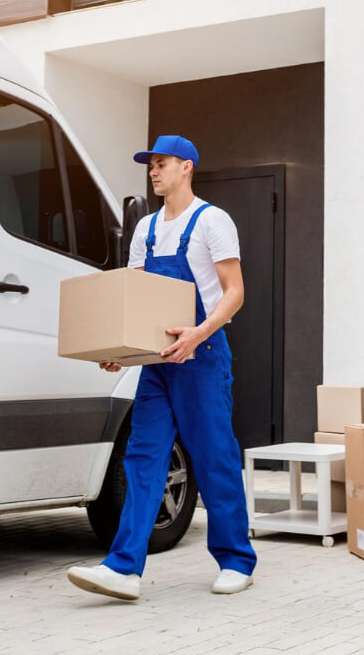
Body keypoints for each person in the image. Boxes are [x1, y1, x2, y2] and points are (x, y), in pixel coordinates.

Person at [66, 135, 256, 601]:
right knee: (142, 456)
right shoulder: (146, 228)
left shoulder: (212, 221)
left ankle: (236, 560)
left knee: (213, 456)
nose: (153, 171)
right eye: (150, 165)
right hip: (157, 363)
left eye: (162, 163)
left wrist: (198, 333)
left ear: (186, 167)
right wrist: (121, 347)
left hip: (202, 357)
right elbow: (137, 295)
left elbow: (234, 292)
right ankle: (124, 567)